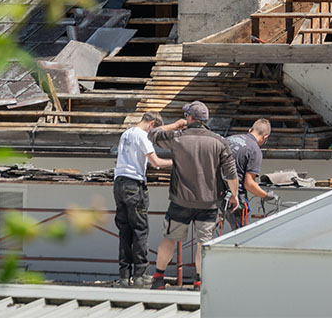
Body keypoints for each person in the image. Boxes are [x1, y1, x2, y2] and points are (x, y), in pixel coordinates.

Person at [148, 101, 238, 290]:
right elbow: (231, 174)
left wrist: (175, 125)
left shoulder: (177, 138)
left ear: (189, 118)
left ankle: (158, 278)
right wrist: (235, 196)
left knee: (170, 237)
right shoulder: (220, 141)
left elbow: (153, 134)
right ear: (206, 120)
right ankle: (199, 281)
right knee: (203, 242)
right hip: (209, 203)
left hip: (180, 201)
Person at [113, 111, 173, 287]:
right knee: (140, 230)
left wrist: (175, 125)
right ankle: (140, 275)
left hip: (119, 184)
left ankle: (124, 276)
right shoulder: (143, 136)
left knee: (125, 231)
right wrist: (176, 161)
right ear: (151, 124)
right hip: (134, 185)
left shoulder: (127, 133)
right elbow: (156, 162)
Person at [225, 118, 276, 230]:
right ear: (265, 137)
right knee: (241, 233)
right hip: (235, 196)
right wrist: (265, 195)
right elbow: (249, 184)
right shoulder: (254, 150)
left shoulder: (228, 139)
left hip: (213, 191)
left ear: (250, 130)